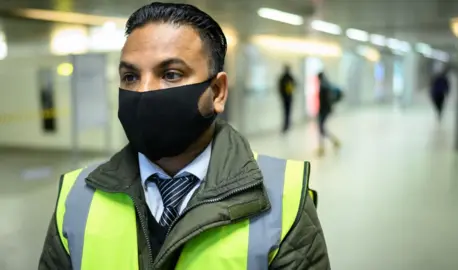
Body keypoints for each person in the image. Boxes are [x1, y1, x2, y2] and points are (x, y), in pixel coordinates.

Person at [38, 3, 331, 270]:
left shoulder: (282, 200)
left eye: (171, 74)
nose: (143, 92)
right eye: (131, 77)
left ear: (217, 92)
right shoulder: (77, 198)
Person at [317, 71, 341, 156]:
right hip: (326, 110)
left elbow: (323, 101)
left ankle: (323, 147)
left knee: (321, 128)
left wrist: (320, 110)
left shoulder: (323, 86)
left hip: (323, 110)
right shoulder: (327, 84)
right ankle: (333, 142)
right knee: (321, 128)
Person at [278, 65, 296, 133]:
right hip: (289, 97)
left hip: (285, 97)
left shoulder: (283, 78)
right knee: (288, 112)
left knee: (286, 112)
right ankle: (287, 124)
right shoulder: (290, 78)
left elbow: (280, 88)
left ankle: (287, 125)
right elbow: (295, 85)